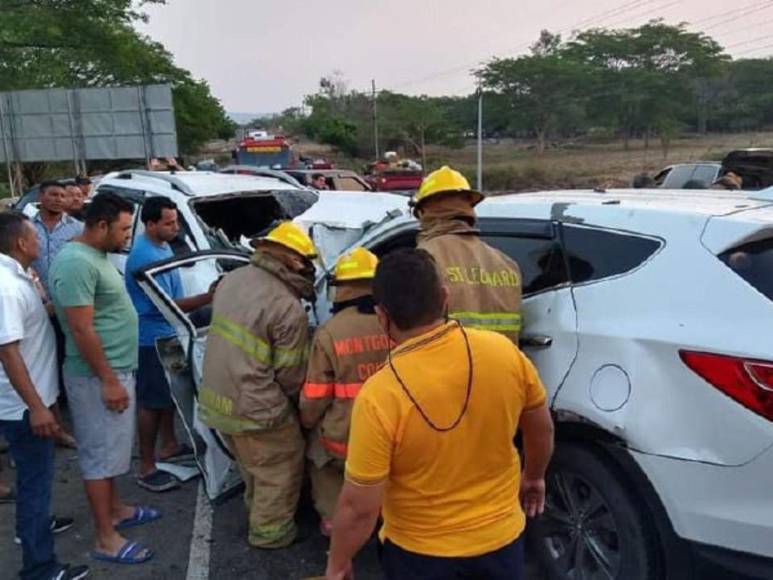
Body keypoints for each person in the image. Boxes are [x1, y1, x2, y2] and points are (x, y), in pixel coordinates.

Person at [324, 248, 555, 580]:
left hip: (420, 555)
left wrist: (339, 562)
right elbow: (540, 428)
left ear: (382, 316)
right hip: (502, 541)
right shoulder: (503, 352)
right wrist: (534, 476)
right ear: (445, 298)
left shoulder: (379, 395)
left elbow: (359, 507)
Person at [49, 193, 156, 565]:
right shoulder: (77, 262)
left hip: (111, 372)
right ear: (101, 225)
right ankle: (105, 538)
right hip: (96, 378)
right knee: (98, 456)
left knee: (110, 451)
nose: (129, 236)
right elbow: (80, 329)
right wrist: (109, 380)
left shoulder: (95, 256)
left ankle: (115, 510)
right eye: (125, 229)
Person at [199, 221, 317, 549]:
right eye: (308, 263)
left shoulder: (233, 279)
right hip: (255, 405)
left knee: (255, 465)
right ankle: (271, 534)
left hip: (216, 399)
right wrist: (306, 411)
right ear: (295, 261)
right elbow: (291, 376)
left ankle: (258, 512)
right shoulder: (286, 305)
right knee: (281, 462)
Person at [0, 211, 89, 580]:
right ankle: (40, 567)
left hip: (25, 400)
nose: (40, 242)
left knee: (34, 477)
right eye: (34, 236)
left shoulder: (17, 278)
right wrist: (37, 407)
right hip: (22, 405)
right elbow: (7, 350)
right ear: (21, 243)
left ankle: (33, 526)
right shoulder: (6, 286)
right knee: (36, 481)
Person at [125, 196, 215, 492]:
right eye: (168, 223)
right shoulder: (144, 257)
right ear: (151, 224)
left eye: (176, 221)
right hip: (153, 339)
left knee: (172, 394)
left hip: (170, 334)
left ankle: (170, 445)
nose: (175, 227)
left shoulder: (161, 246)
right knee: (152, 401)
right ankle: (147, 465)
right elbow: (169, 304)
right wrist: (209, 296)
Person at [299, 247, 390, 536]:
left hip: (342, 441)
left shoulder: (330, 332)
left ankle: (335, 527)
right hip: (388, 437)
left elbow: (314, 397)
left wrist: (306, 425)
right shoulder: (398, 323)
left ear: (341, 289)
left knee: (324, 468)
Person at [414, 166, 523, 343]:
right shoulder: (507, 263)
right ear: (469, 208)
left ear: (424, 211)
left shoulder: (424, 259)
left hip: (449, 366)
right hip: (502, 366)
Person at [30, 181, 81, 450]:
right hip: (34, 308)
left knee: (66, 357)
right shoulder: (27, 227)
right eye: (53, 194)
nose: (59, 199)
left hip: (68, 307)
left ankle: (64, 418)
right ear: (41, 197)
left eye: (63, 196)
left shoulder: (76, 229)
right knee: (40, 363)